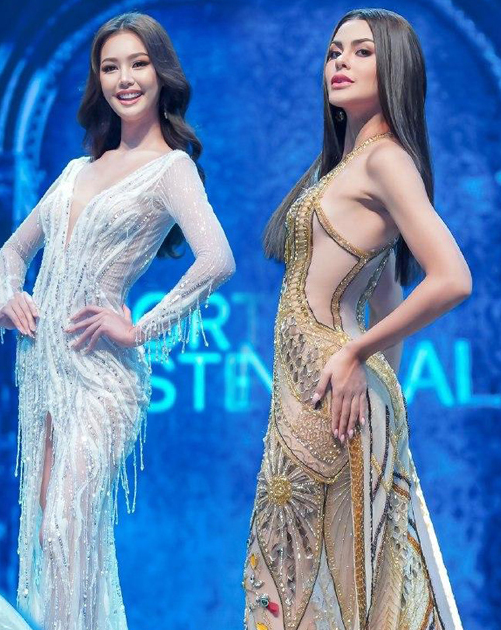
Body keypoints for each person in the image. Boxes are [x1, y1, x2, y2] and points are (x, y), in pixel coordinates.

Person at [0, 12, 234, 629]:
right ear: (97, 79)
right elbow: (12, 253)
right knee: (46, 537)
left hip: (102, 376)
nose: (125, 78)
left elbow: (218, 258)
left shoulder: (171, 168)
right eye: (110, 66)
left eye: (138, 64)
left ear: (161, 72)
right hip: (43, 368)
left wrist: (141, 328)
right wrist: (8, 299)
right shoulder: (77, 171)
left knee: (66, 529)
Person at [242, 9, 467, 629]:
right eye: (334, 51)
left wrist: (355, 356)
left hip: (330, 399)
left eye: (362, 52)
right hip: (321, 400)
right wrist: (373, 394)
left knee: (310, 596)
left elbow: (453, 277)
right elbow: (388, 293)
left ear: (394, 66)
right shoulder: (346, 163)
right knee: (291, 588)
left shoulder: (385, 161)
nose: (340, 62)